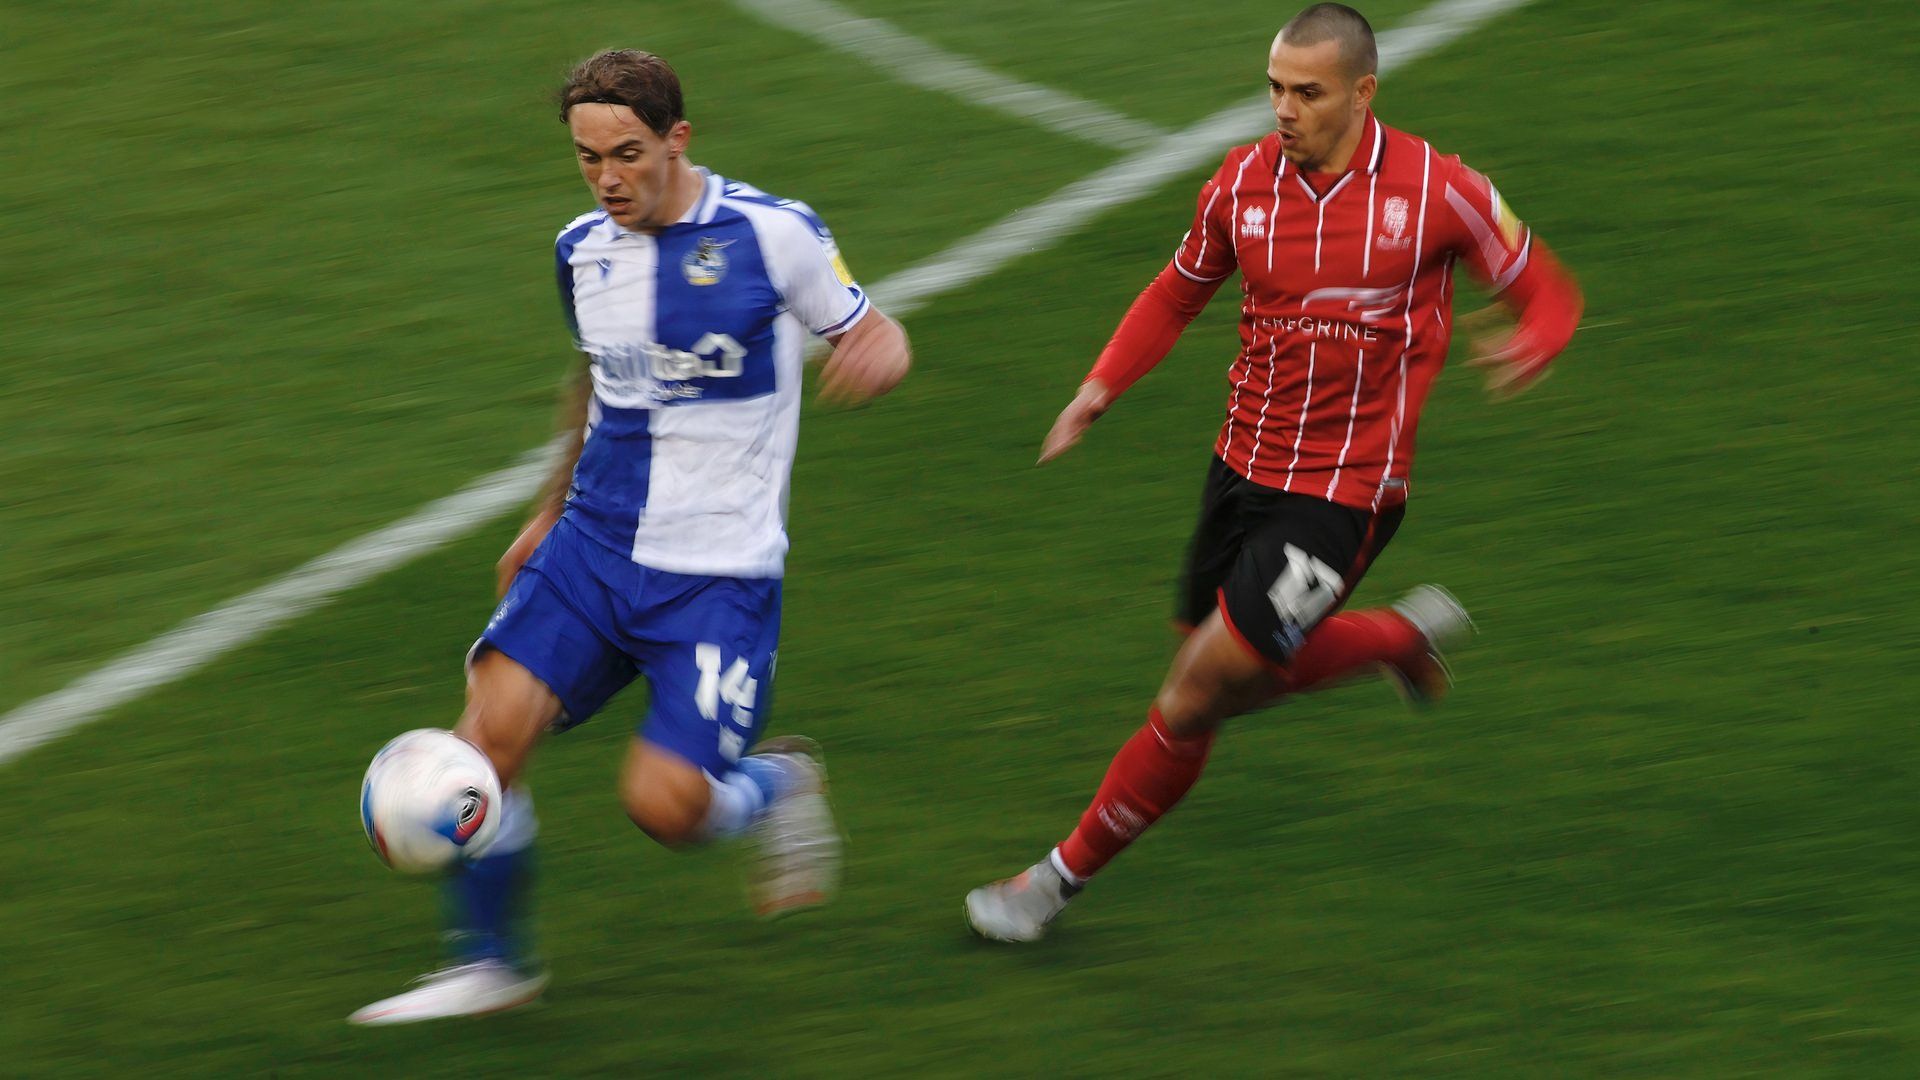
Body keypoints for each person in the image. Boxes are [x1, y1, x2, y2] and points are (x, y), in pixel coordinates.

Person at [964, 3, 1582, 942]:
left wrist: (1531, 341)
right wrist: (1100, 386)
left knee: (1191, 695)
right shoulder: (1242, 183)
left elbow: (1547, 291)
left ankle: (1050, 882)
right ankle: (1393, 638)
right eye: (1274, 88)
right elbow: (1179, 290)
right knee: (1216, 677)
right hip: (1240, 468)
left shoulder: (1437, 190)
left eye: (1307, 91)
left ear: (1363, 92)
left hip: (1345, 492)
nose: (1283, 109)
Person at [351, 48, 911, 1023]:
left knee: (665, 810)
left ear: (677, 139)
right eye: (586, 157)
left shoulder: (773, 235)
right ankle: (493, 965)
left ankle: (776, 788)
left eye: (627, 153)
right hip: (591, 553)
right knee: (481, 751)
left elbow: (871, 327)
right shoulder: (581, 249)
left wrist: (879, 353)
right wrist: (544, 508)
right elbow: (594, 381)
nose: (608, 178)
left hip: (717, 582)